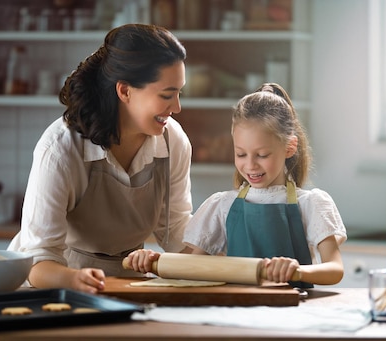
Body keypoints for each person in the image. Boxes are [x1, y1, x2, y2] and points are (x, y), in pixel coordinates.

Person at [7, 24, 193, 294]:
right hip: (57, 283)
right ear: (125, 91)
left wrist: (218, 261)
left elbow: (176, 231)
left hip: (128, 283)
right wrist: (72, 279)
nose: (177, 107)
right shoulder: (60, 149)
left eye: (179, 93)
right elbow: (37, 260)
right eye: (167, 95)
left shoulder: (172, 142)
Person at [126, 83, 346, 287]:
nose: (250, 165)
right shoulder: (223, 206)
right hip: (238, 313)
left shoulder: (312, 204)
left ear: (289, 147)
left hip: (293, 315)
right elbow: (190, 267)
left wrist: (296, 271)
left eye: (262, 154)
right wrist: (155, 261)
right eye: (241, 154)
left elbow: (335, 270)